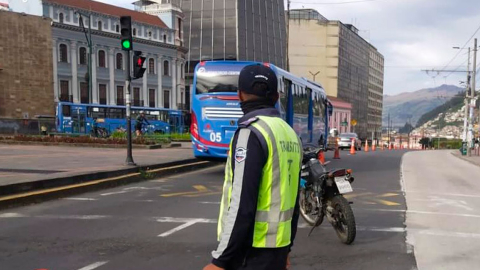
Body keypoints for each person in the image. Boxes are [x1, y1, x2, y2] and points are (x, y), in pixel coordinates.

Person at [203, 64, 302, 270]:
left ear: (240, 95)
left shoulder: (251, 133)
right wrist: (287, 249)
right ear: (276, 97)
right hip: (277, 249)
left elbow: (242, 203)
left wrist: (220, 260)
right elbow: (294, 199)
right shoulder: (290, 134)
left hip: (250, 252)